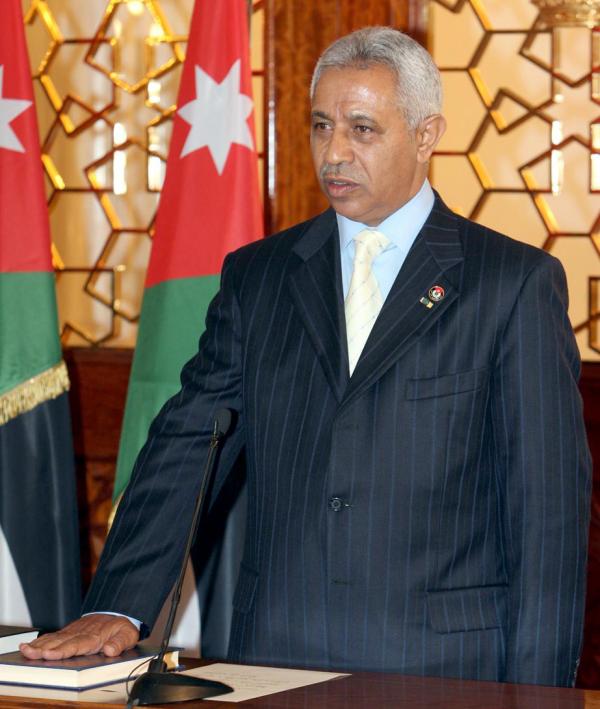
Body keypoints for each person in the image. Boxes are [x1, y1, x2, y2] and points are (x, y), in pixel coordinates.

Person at [22, 26, 591, 687]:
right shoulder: (260, 276)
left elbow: (547, 517)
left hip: (444, 670)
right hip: (276, 659)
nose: (335, 152)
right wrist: (118, 602)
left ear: (426, 135)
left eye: (362, 129)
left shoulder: (511, 284)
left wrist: (539, 693)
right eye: (322, 126)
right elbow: (189, 441)